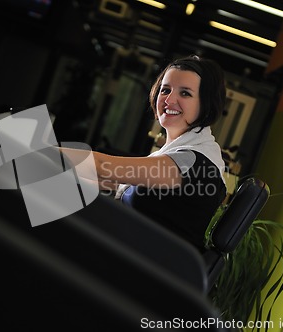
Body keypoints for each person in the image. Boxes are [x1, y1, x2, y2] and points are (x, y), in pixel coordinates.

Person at [61, 55, 226, 251]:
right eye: (165, 90)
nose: (170, 99)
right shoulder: (187, 152)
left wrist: (37, 152)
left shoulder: (191, 161)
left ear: (206, 104)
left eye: (185, 93)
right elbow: (112, 184)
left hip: (146, 269)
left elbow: (102, 167)